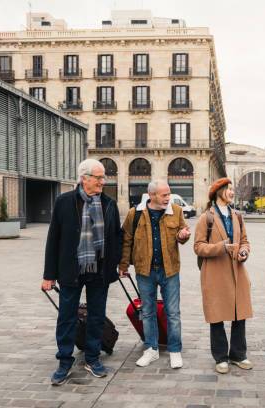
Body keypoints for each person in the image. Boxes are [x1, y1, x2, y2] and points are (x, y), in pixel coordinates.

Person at [42, 158, 123, 385]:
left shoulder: (109, 203)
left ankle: (92, 358)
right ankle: (64, 362)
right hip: (71, 269)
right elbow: (53, 240)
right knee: (66, 317)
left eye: (103, 177)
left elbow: (116, 236)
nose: (102, 181)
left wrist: (116, 263)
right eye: (98, 177)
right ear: (84, 178)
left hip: (99, 270)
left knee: (96, 316)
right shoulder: (64, 202)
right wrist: (49, 275)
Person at [119, 180, 191, 369]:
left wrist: (183, 236)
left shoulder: (176, 211)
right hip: (144, 271)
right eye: (164, 195)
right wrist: (123, 265)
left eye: (169, 194)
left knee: (173, 312)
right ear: (151, 195)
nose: (168, 198)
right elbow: (126, 240)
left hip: (170, 271)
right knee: (148, 312)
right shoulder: (135, 214)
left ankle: (175, 350)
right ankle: (151, 349)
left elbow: (181, 235)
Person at [193, 178, 253, 374]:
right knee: (216, 315)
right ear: (219, 192)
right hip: (215, 274)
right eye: (229, 189)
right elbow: (198, 246)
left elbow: (244, 241)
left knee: (239, 314)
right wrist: (221, 247)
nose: (232, 192)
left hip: (237, 272)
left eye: (232, 189)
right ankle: (220, 357)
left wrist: (244, 251)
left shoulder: (237, 216)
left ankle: (238, 354)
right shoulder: (206, 218)